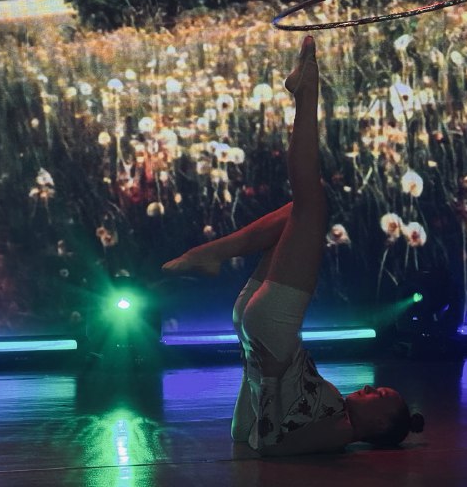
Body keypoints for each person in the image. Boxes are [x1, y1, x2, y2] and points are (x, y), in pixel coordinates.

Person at [162, 36, 424, 456]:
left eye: (378, 395)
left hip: (273, 333)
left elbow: (270, 445)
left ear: (377, 424)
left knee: (310, 199)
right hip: (261, 335)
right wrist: (256, 377)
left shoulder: (343, 430)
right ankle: (209, 255)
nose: (368, 386)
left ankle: (307, 93)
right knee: (296, 212)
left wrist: (266, 383)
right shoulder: (337, 417)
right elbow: (243, 432)